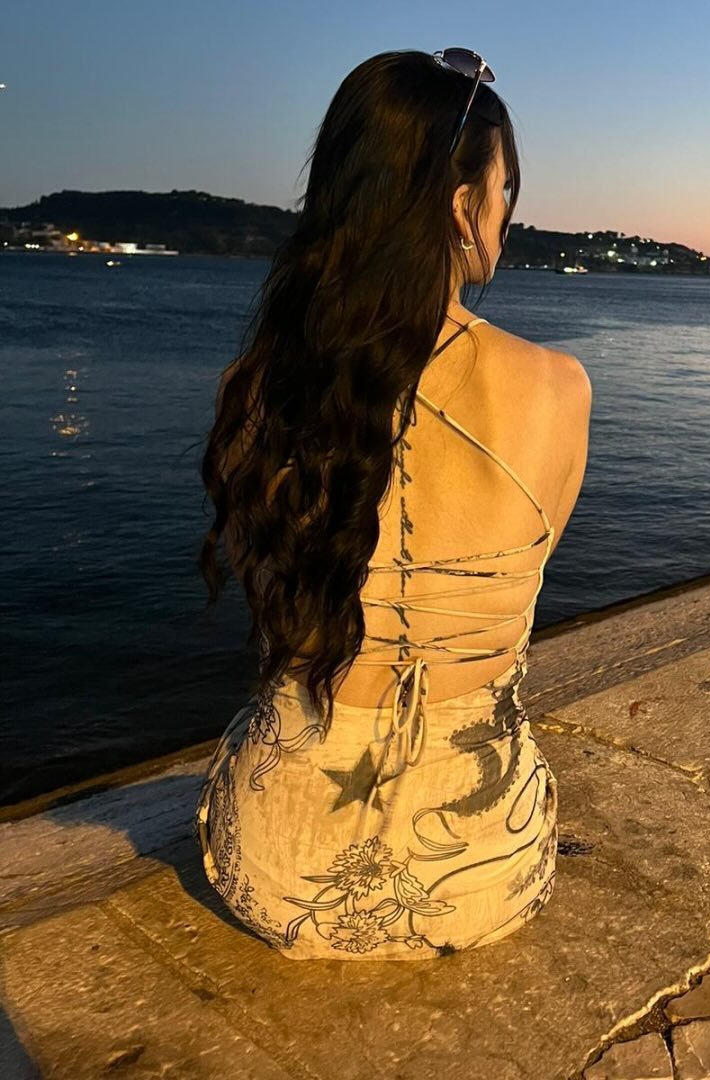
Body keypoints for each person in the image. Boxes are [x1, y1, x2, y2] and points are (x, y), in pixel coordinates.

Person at [194, 48, 591, 960]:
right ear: (460, 206)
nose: (505, 214)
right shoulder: (557, 389)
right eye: (502, 192)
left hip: (273, 870)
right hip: (480, 873)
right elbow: (529, 574)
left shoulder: (256, 389)